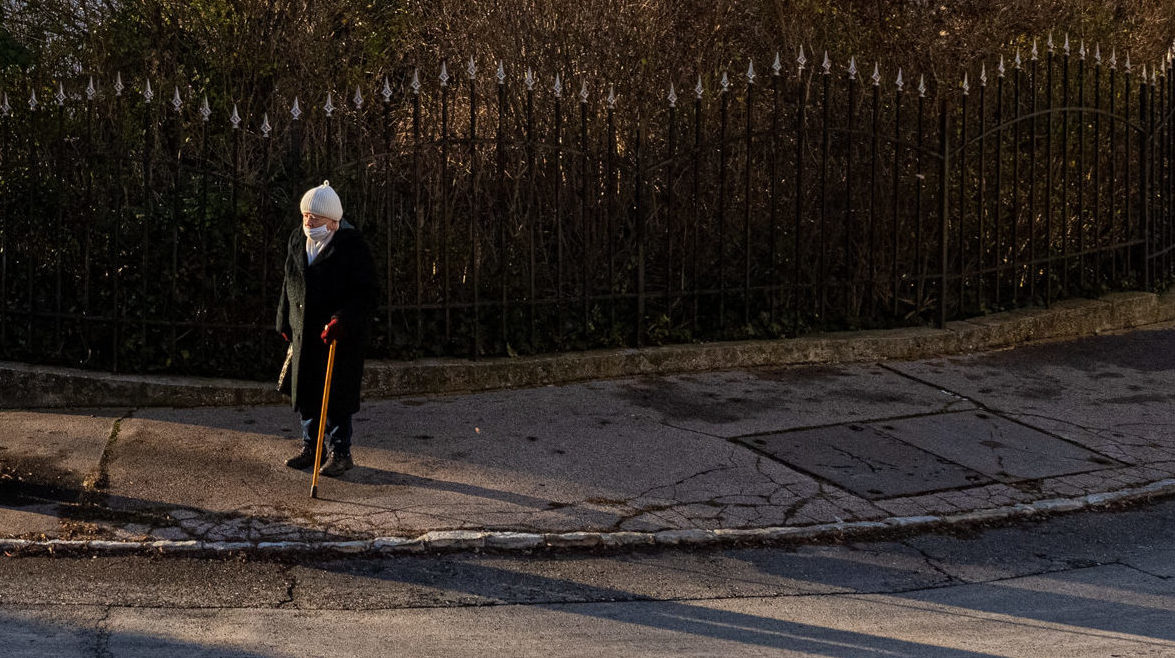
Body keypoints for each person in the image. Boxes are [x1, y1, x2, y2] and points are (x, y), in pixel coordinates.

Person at [276, 180, 376, 476]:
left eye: (315, 217)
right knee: (306, 392)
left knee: (336, 397)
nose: (308, 221)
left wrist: (342, 320)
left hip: (337, 339)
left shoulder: (352, 246)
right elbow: (288, 283)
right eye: (305, 215)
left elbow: (366, 293)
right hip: (304, 333)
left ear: (333, 221)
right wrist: (284, 320)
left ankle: (340, 452)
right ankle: (312, 447)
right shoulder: (298, 239)